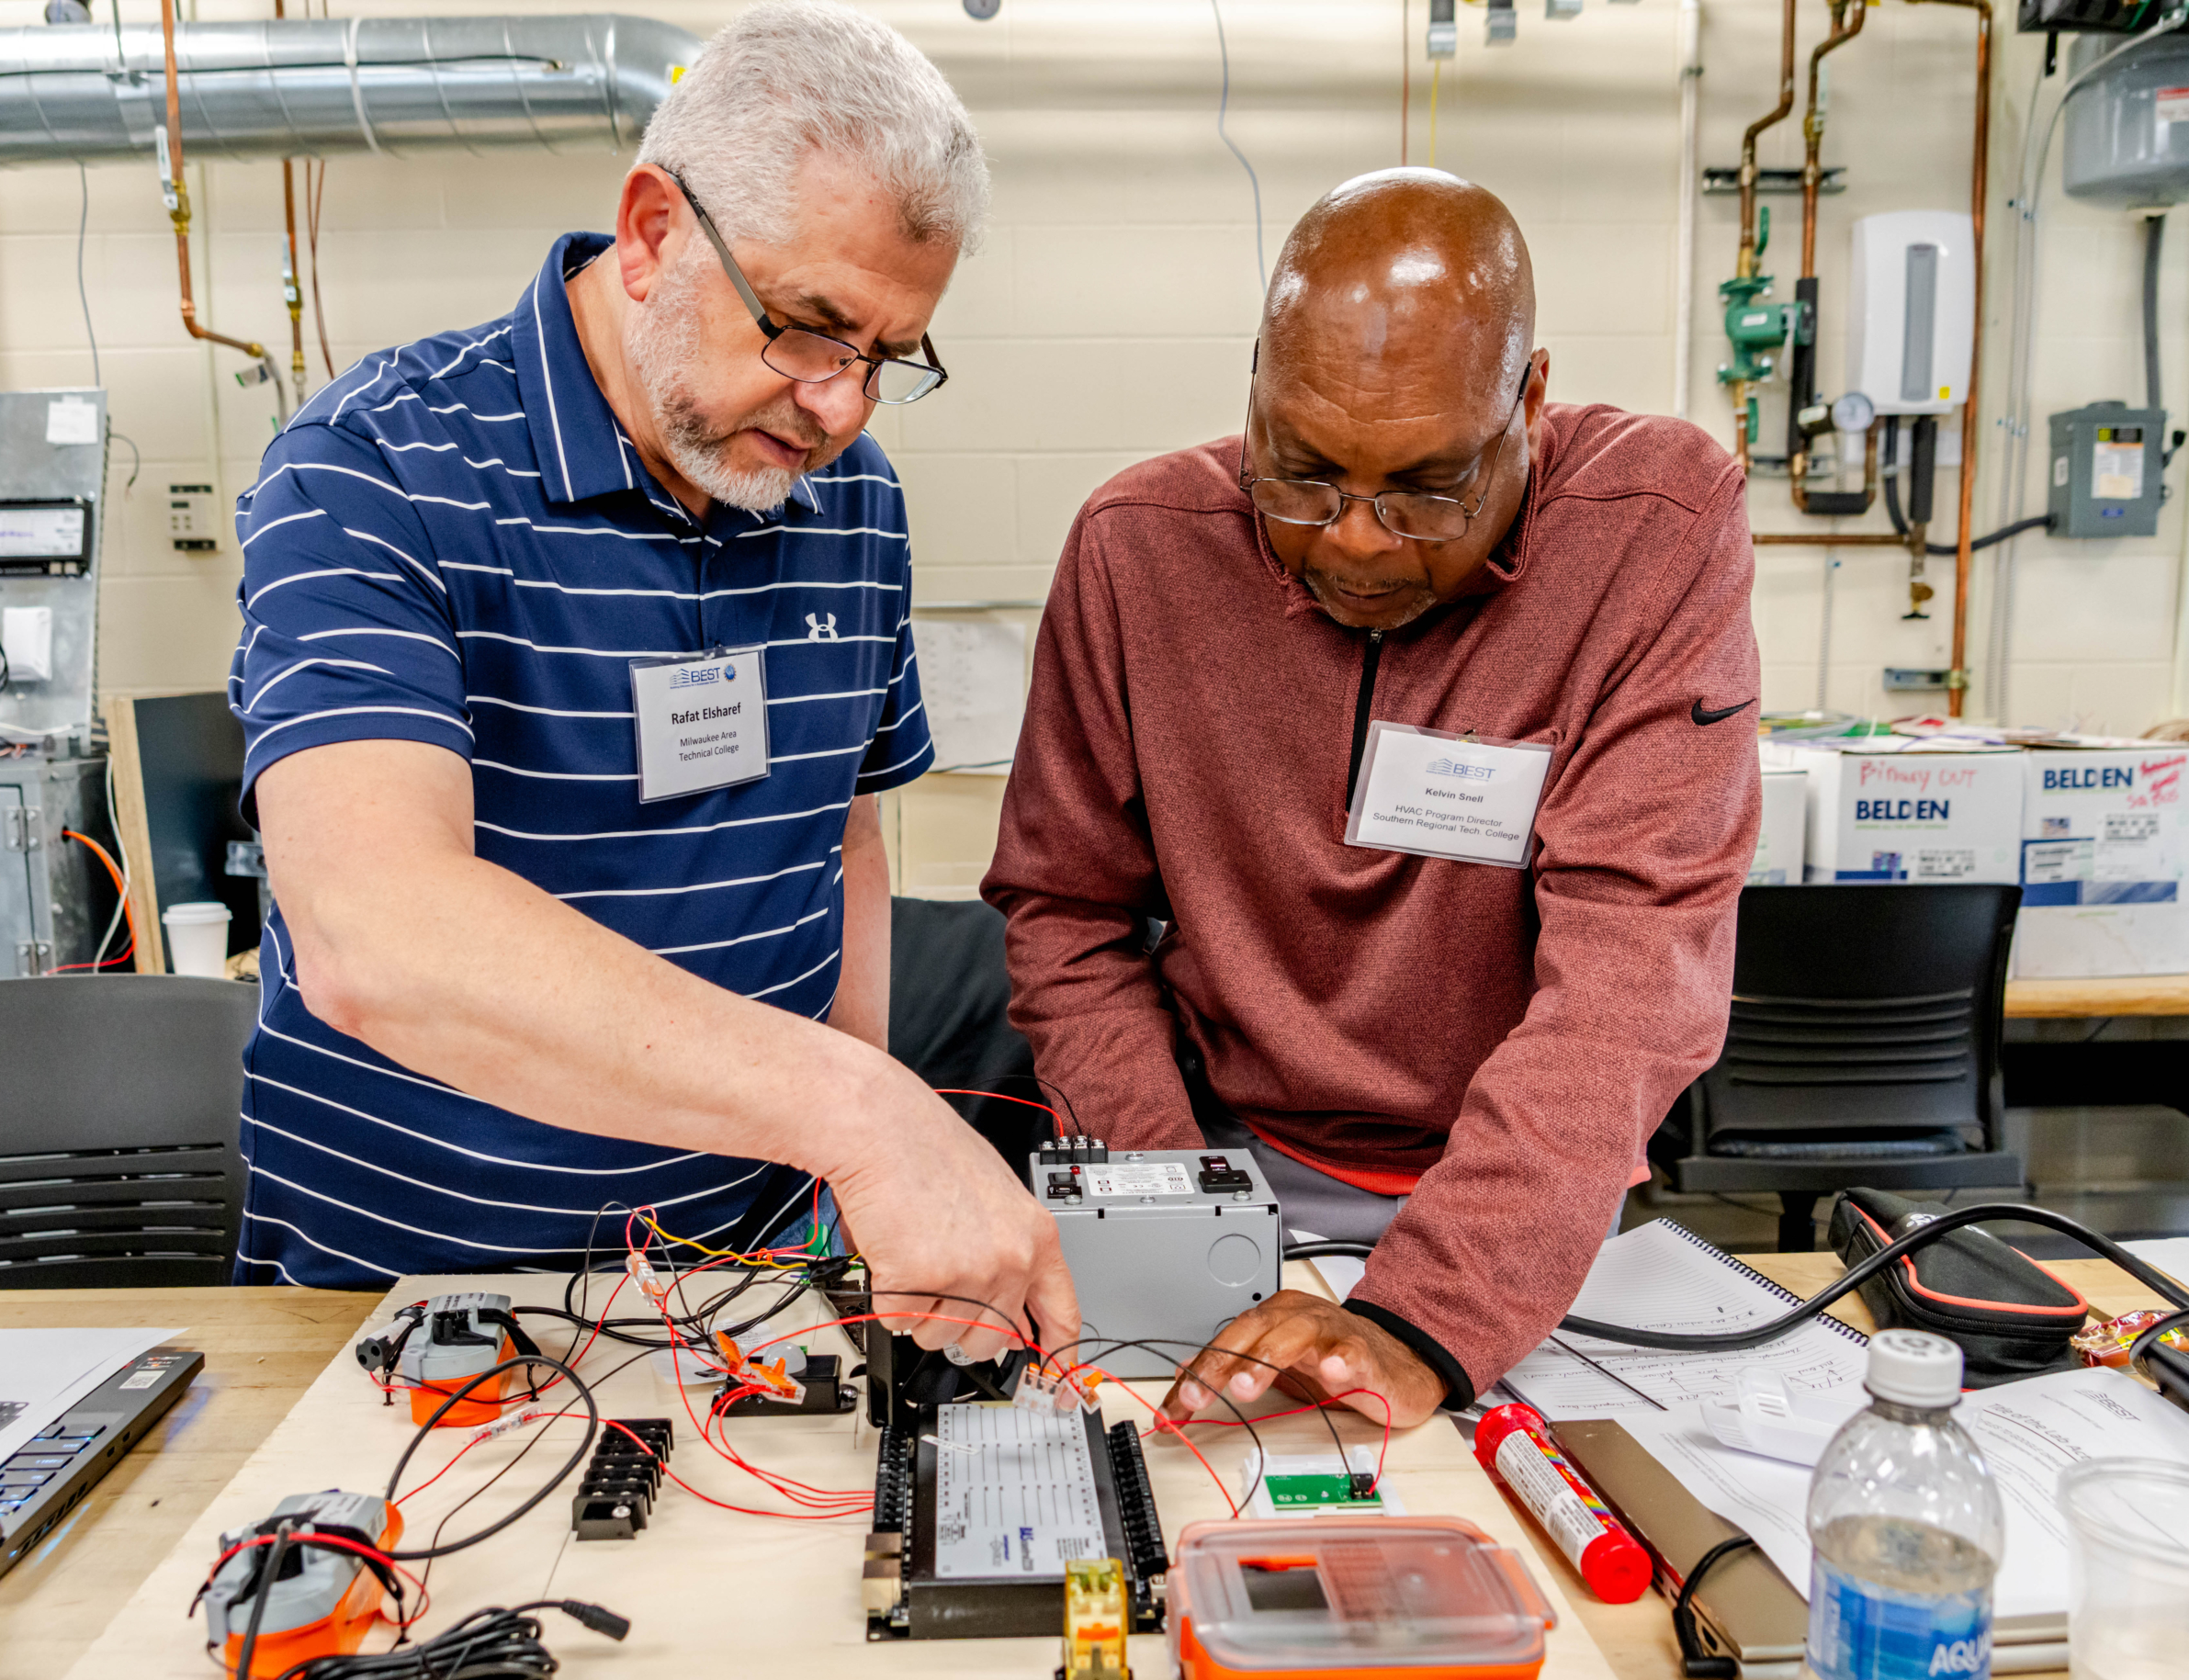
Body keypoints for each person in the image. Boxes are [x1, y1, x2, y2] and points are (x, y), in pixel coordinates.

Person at [230, 0, 1075, 1362]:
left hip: (740, 1290)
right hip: (413, 1308)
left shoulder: (846, 500)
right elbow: (369, 931)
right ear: (650, 231)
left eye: (888, 354)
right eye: (807, 328)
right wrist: (860, 1110)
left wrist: (830, 1180)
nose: (842, 405)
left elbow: (842, 831)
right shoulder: (372, 466)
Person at [982, 169, 1761, 1426]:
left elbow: (1633, 971)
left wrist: (1425, 1313)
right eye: (1302, 472)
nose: (1354, 538)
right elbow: (1066, 914)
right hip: (1221, 1161)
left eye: (1427, 488)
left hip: (1522, 1212)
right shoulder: (1138, 548)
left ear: (1533, 400)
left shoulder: (1654, 530)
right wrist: (1180, 1222)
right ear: (1251, 388)